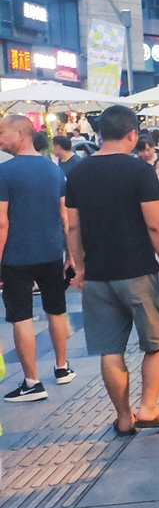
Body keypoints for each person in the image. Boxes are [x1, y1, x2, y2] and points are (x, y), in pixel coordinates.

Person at [65, 105, 159, 435]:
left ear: (100, 133)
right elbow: (157, 225)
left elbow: (72, 227)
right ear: (132, 134)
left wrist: (80, 267)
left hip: (98, 276)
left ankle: (123, 417)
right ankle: (149, 407)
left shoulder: (78, 172)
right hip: (139, 271)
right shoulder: (139, 171)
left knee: (110, 349)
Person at [0, 116, 75, 401]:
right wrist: (69, 254)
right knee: (56, 309)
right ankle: (61, 367)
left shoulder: (4, 172)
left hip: (16, 255)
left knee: (21, 317)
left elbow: (2, 223)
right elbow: (64, 215)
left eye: (2, 133)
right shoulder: (54, 170)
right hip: (51, 251)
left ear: (21, 133)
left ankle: (32, 382)